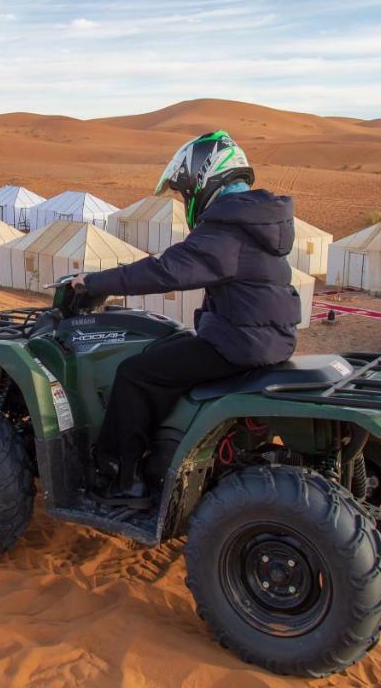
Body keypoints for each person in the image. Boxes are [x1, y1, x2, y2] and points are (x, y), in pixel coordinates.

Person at [72, 131, 299, 507]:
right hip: (268, 339)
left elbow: (168, 271)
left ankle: (121, 477)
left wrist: (96, 282)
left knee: (134, 373)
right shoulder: (258, 221)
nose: (186, 198)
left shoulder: (228, 227)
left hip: (238, 344)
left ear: (203, 178)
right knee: (167, 347)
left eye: (184, 190)